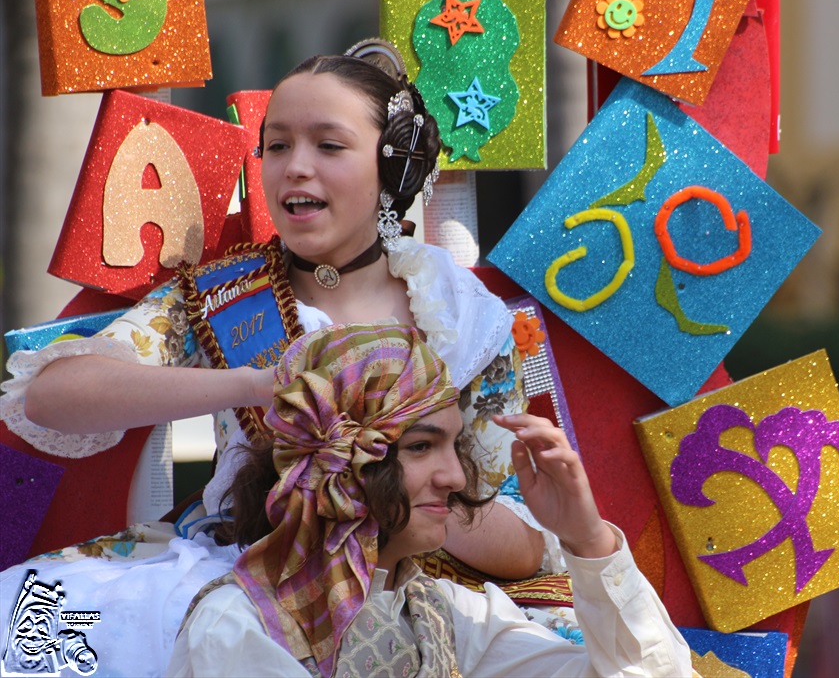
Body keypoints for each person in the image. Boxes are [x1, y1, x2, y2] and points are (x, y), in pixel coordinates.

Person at [0, 44, 552, 676]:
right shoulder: (229, 296)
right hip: (244, 575)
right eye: (279, 145)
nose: (296, 167)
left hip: (417, 592)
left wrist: (382, 491)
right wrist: (257, 383)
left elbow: (521, 548)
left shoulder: (465, 318)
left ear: (392, 164)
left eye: (329, 145)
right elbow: (51, 395)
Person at [167, 323, 692, 677]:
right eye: (421, 446)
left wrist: (589, 539)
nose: (456, 475)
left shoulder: (443, 613)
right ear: (334, 464)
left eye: (453, 445)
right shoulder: (239, 627)